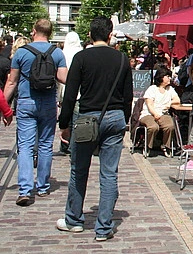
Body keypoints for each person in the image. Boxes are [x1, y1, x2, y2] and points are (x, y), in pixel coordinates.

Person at [56, 16, 132, 241]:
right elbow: (128, 96)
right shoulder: (122, 59)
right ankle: (104, 227)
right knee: (109, 173)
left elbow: (70, 95)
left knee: (78, 170)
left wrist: (64, 124)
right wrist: (124, 120)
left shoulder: (81, 58)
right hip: (115, 116)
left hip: (87, 117)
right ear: (110, 35)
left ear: (89, 35)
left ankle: (74, 220)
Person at [3, 19, 67, 207]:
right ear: (50, 33)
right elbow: (64, 78)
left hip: (26, 102)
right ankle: (43, 186)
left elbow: (12, 82)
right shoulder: (57, 53)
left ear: (34, 31)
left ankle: (25, 189)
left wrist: (4, 106)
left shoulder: (21, 52)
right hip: (48, 104)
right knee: (46, 145)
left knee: (25, 146)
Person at [138, 67, 180, 156]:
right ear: (161, 77)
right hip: (148, 114)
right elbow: (149, 104)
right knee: (153, 127)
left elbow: (177, 100)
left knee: (170, 126)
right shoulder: (152, 89)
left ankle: (166, 145)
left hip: (163, 113)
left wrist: (169, 103)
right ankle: (148, 145)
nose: (169, 78)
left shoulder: (170, 89)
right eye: (167, 76)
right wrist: (155, 114)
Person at [58, 31, 83, 154]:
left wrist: (59, 97)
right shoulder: (82, 54)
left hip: (65, 91)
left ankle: (64, 145)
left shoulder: (62, 54)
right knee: (76, 121)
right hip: (79, 92)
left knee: (66, 118)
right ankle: (74, 146)